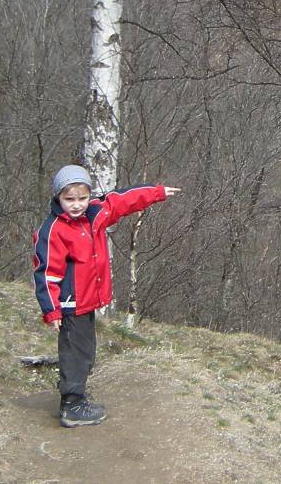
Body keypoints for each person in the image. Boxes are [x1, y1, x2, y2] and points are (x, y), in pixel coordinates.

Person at [32, 165, 180, 428]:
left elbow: (122, 201)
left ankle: (74, 396)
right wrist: (52, 310)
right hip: (70, 303)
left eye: (82, 198)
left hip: (87, 300)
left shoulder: (95, 214)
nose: (76, 205)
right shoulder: (53, 230)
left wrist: (156, 193)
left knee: (85, 349)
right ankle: (72, 405)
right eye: (69, 199)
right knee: (76, 352)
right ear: (58, 197)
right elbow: (47, 274)